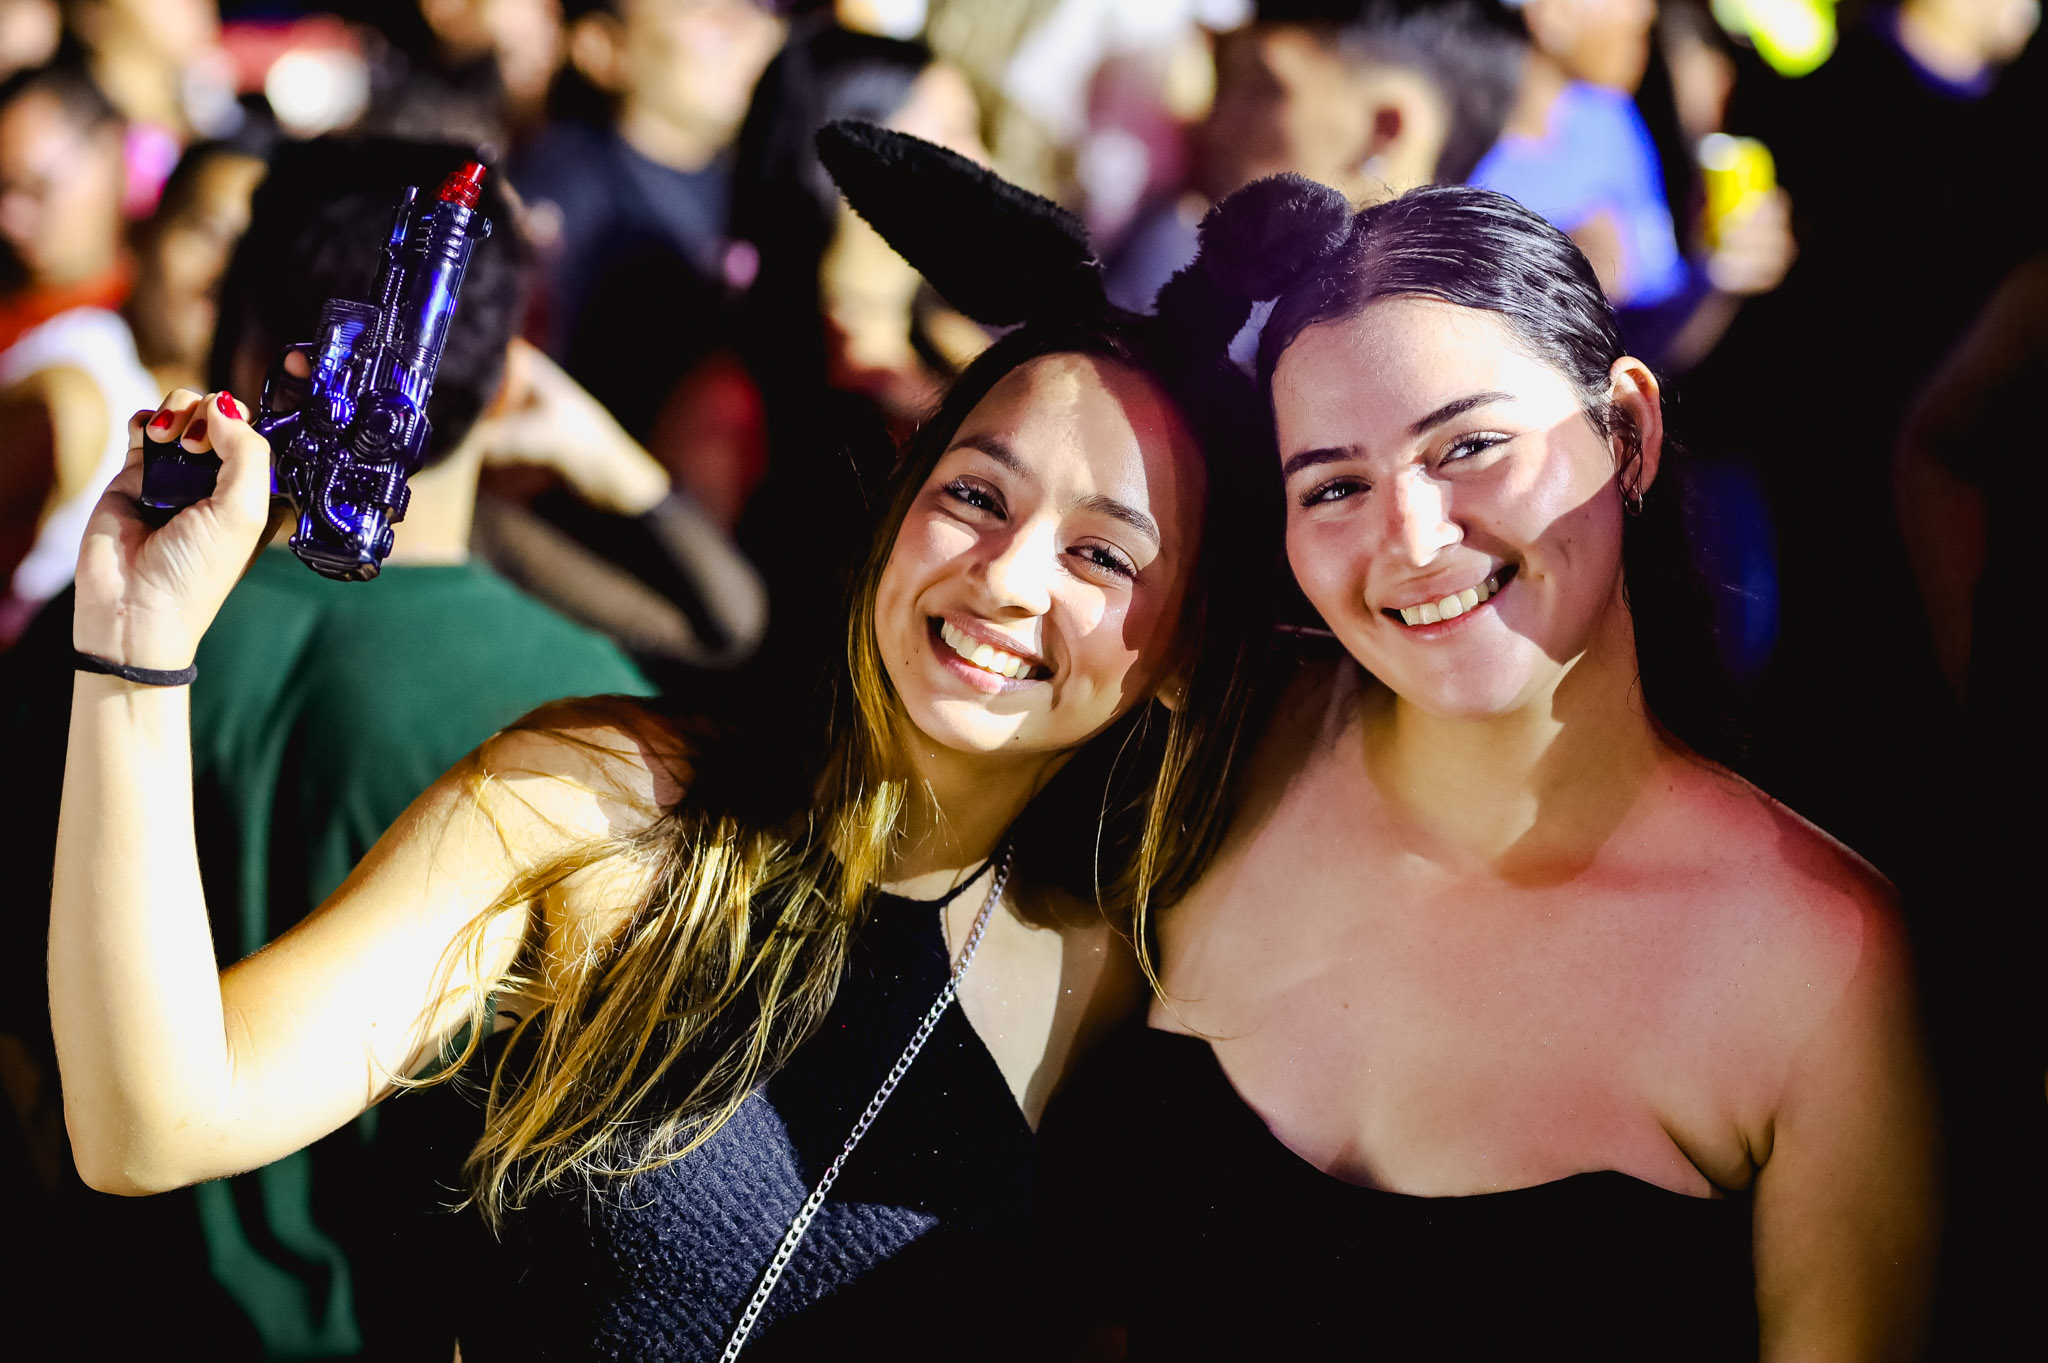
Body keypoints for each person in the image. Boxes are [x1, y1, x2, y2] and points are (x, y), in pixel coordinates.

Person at [48, 122, 1267, 1360]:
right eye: (974, 494)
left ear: (1183, 649)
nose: (1004, 575)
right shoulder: (602, 801)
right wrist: (135, 647)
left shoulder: (1128, 986)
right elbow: (154, 1120)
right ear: (899, 510)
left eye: (1100, 554)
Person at [1038, 179, 1938, 1360]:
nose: (1412, 539)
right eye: (1334, 486)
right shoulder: (1215, 751)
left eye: (1468, 446)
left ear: (1626, 432)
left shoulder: (1820, 963)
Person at [0, 61, 158, 644]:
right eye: (1, 189)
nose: (10, 218)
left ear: (113, 156)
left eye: (36, 187)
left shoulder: (145, 322)